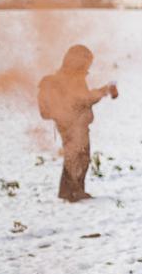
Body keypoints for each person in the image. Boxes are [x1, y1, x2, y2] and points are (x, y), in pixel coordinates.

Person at [38, 44, 117, 202]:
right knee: (76, 156)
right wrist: (103, 92)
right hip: (71, 124)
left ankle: (70, 191)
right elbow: (83, 99)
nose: (88, 66)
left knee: (78, 156)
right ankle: (73, 192)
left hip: (75, 123)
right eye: (87, 62)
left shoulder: (72, 77)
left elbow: (84, 99)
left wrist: (103, 91)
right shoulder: (71, 78)